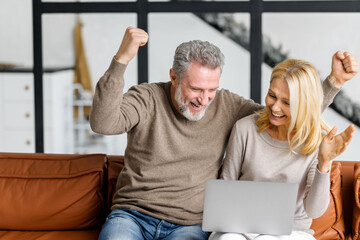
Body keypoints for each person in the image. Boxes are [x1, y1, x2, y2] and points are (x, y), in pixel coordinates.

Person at [90, 26, 358, 240]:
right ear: (174, 77)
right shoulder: (146, 98)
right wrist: (121, 61)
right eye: (195, 89)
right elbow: (103, 123)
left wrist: (332, 83)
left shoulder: (227, 105)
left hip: (189, 225)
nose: (204, 100)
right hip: (133, 215)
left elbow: (287, 113)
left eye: (211, 90)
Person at [209, 59, 356, 240]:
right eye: (272, 95)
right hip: (240, 227)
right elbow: (226, 186)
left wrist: (324, 163)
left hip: (292, 232)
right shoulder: (244, 129)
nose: (275, 107)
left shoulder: (315, 142)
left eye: (287, 102)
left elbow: (314, 210)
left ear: (303, 105)